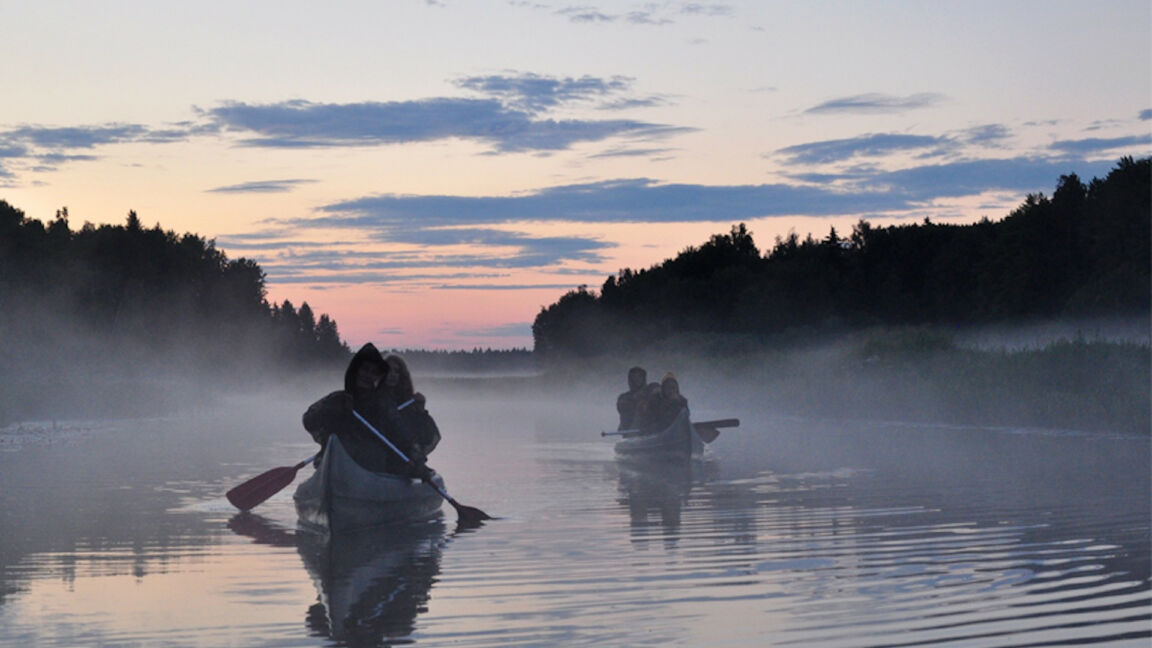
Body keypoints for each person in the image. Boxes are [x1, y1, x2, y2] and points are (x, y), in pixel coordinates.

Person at [302, 343, 430, 479]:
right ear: (355, 371)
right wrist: (330, 409)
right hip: (337, 464)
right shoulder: (337, 399)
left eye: (374, 372)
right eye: (365, 369)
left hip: (372, 467)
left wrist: (418, 460)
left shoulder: (383, 404)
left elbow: (403, 435)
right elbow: (308, 420)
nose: (368, 375)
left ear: (377, 377)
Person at [383, 353, 441, 457]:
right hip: (382, 456)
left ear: (402, 376)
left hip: (404, 458)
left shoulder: (409, 404)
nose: (392, 374)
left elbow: (429, 437)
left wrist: (421, 412)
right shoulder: (373, 400)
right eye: (388, 370)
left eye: (397, 371)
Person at [616, 366, 648, 430]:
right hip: (630, 432)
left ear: (643, 379)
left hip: (649, 428)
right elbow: (622, 406)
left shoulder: (652, 390)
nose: (635, 380)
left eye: (639, 377)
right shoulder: (623, 398)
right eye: (633, 378)